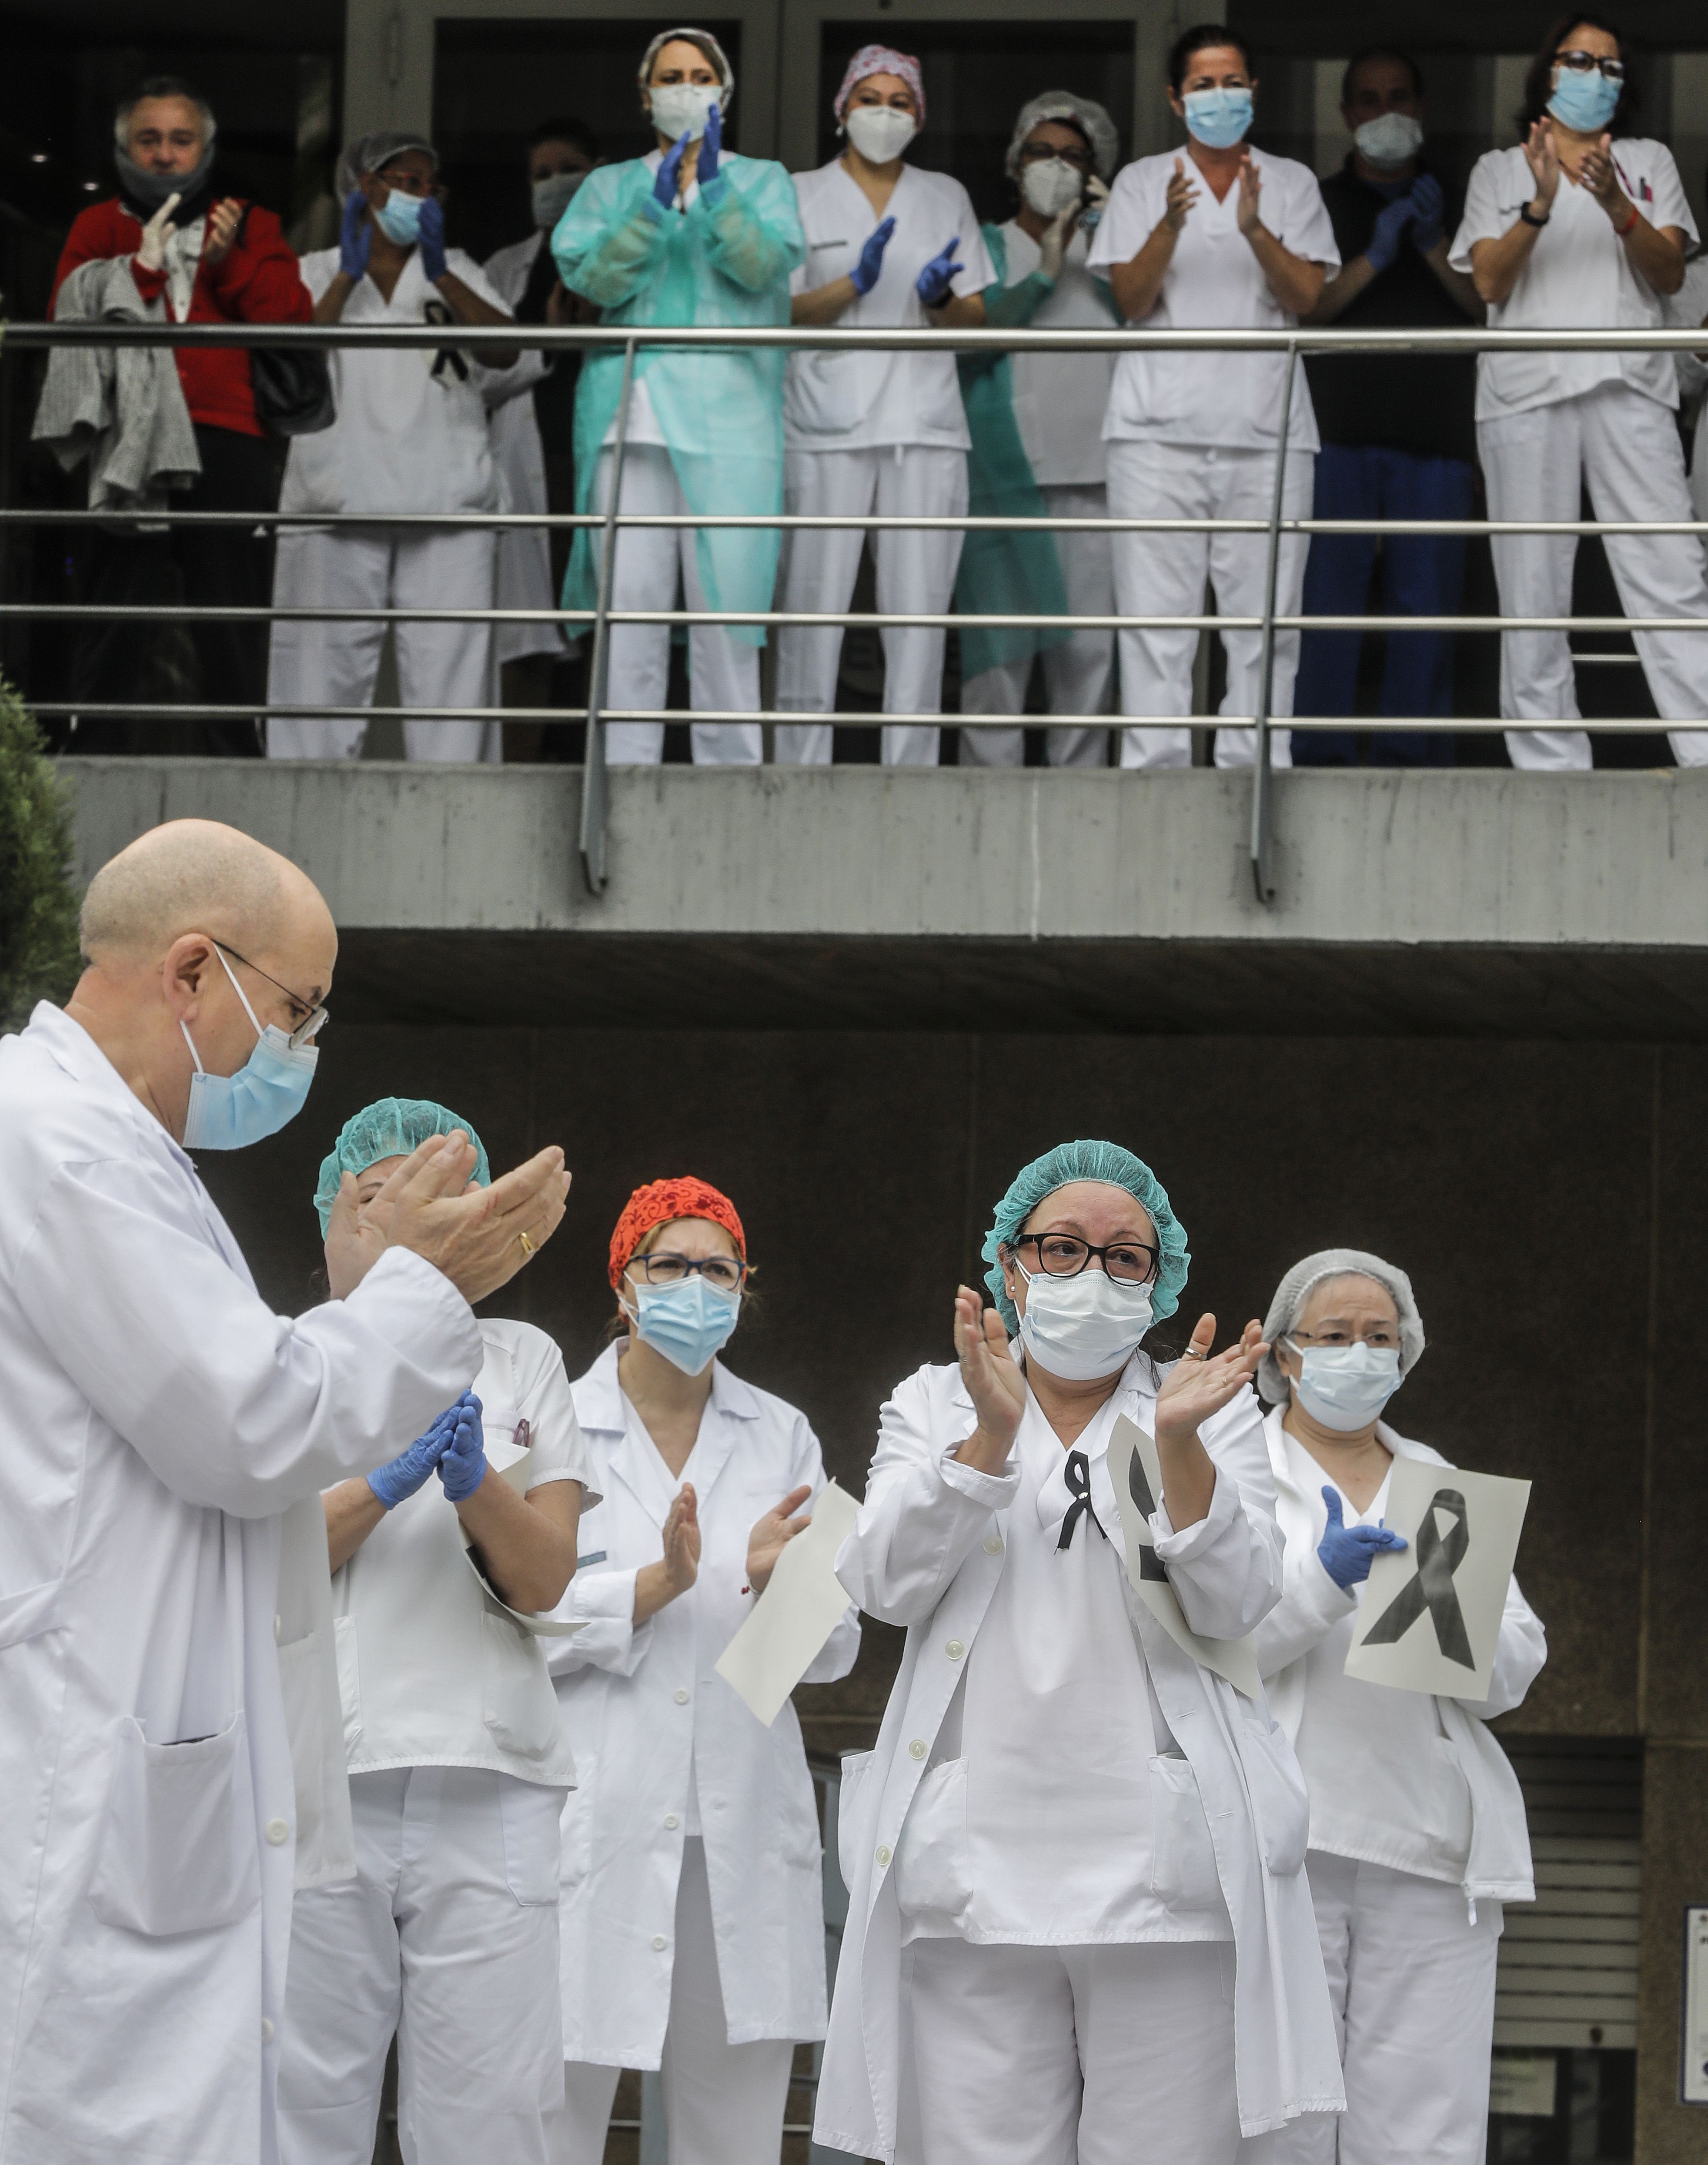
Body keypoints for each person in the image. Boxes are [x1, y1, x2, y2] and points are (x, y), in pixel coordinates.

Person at [0, 819, 569, 2164]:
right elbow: (249, 1421)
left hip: (148, 1749)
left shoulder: (127, 1158)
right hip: (82, 1752)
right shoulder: (57, 1142)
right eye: (299, 1009)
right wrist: (435, 1291)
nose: (305, 1050)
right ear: (193, 971)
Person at [815, 1141, 1342, 2165]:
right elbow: (882, 1581)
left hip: (1161, 1883)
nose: (1091, 1274)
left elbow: (1238, 1602)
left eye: (1124, 1257)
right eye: (1061, 1247)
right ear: (1010, 1266)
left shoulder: (1205, 1406)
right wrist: (985, 1440)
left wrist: (1182, 1446)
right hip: (973, 1875)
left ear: (1159, 1283)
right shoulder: (934, 1400)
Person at [277, 1098, 592, 2165]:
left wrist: (472, 1483)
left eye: (439, 1197)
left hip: (486, 1776)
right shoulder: (282, 1358)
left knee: (491, 2112)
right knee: (304, 2094)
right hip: (323, 1773)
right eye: (374, 1198)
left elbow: (546, 1574)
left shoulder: (520, 1357)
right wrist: (380, 1480)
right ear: (328, 1218)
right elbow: (263, 1560)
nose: (401, 1220)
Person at [546, 1177, 859, 2165]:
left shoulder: (784, 1433)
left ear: (744, 1285)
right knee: (548, 2117)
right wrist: (654, 1585)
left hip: (737, 1817)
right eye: (670, 1263)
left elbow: (835, 1651)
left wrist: (776, 1587)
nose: (695, 1285)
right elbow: (510, 1613)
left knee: (731, 2137)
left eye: (717, 1267)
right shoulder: (551, 1418)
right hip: (590, 1815)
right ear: (624, 1279)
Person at [1250, 1250, 1547, 2164]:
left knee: (1423, 2130)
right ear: (1284, 1353)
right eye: (1332, 1334)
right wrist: (1321, 1584)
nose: (1358, 1353)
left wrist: (1440, 1609)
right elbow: (1202, 1648)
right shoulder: (1231, 1467)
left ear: (1406, 1351)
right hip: (1287, 1844)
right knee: (1279, 2123)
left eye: (1378, 1336)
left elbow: (1515, 1667)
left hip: (1425, 1847)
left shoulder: (1436, 1480)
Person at [1451, 12, 1708, 771]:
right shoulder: (1500, 170)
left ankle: (1705, 751)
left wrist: (1616, 205)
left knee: (1671, 575)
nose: (1596, 77)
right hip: (1526, 392)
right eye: (1581, 61)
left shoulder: (1647, 158)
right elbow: (1489, 281)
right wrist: (1542, 199)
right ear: (1547, 72)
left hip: (1630, 384)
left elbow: (1668, 274)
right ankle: (1548, 765)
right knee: (1532, 589)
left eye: (1611, 67)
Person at [1088, 25, 1339, 771]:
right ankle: (1155, 777)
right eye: (1203, 85)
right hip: (1154, 438)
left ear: (1254, 91)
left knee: (1264, 629)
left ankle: (1254, 773)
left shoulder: (1290, 182)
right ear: (1175, 99)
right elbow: (1132, 300)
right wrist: (1171, 222)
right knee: (1156, 629)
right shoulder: (1141, 182)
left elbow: (1307, 295)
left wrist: (1255, 228)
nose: (1219, 98)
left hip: (1266, 434)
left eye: (1232, 83)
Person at [552, 30, 804, 767]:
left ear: (723, 94)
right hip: (630, 421)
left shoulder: (764, 180)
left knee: (727, 616)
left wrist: (717, 193)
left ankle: (730, 793)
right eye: (671, 77)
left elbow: (766, 267)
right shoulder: (609, 186)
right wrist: (651, 215)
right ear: (645, 95)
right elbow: (590, 282)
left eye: (700, 77)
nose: (686, 89)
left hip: (733, 426)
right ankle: (622, 783)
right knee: (628, 615)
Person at [47, 76, 311, 757]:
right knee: (118, 605)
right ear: (124, 148)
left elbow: (291, 319)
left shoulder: (251, 223)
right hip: (129, 438)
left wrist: (227, 266)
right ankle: (96, 752)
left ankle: (236, 756)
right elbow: (66, 320)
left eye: (181, 139)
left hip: (228, 434)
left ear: (206, 148)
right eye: (150, 139)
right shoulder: (97, 225)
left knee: (228, 610)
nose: (165, 155)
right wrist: (139, 274)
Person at [267, 131, 522, 763]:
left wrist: (438, 272)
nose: (414, 195)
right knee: (313, 707)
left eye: (425, 185)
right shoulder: (313, 272)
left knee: (453, 713)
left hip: (445, 506)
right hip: (335, 505)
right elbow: (292, 362)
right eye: (399, 181)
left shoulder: (457, 268)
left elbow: (507, 348)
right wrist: (350, 274)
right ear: (362, 187)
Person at [776, 47, 993, 768]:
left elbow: (974, 320)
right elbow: (774, 312)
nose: (884, 112)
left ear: (920, 116)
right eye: (869, 97)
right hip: (821, 424)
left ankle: (914, 781)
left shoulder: (945, 196)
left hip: (922, 427)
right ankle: (798, 778)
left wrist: (936, 300)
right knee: (811, 619)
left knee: (919, 621)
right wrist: (851, 287)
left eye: (901, 101)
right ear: (841, 109)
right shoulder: (798, 193)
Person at [1293, 50, 1483, 767]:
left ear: (1422, 105)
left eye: (1398, 97)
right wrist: (1375, 256)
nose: (1384, 113)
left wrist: (1435, 245)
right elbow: (1307, 310)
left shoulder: (1461, 200)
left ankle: (1417, 763)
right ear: (1346, 115)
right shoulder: (1314, 200)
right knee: (1326, 611)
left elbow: (1485, 308)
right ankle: (1316, 758)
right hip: (1334, 434)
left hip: (1437, 435)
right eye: (1368, 100)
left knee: (1427, 614)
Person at [956, 93, 1122, 771]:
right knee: (995, 667)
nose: (1056, 166)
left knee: (1088, 666)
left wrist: (1118, 238)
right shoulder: (986, 245)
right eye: (1041, 152)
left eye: (1073, 156)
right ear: (1014, 163)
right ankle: (983, 827)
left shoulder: (1116, 262)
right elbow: (964, 339)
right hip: (1003, 487)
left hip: (1100, 486)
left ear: (1095, 171)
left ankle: (1077, 824)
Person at [483, 118, 603, 742]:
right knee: (533, 645)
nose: (556, 184)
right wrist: (547, 344)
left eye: (569, 169)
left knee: (599, 638)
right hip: (533, 468)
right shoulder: (506, 269)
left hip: (596, 463)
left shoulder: (620, 255)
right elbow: (477, 375)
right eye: (543, 175)